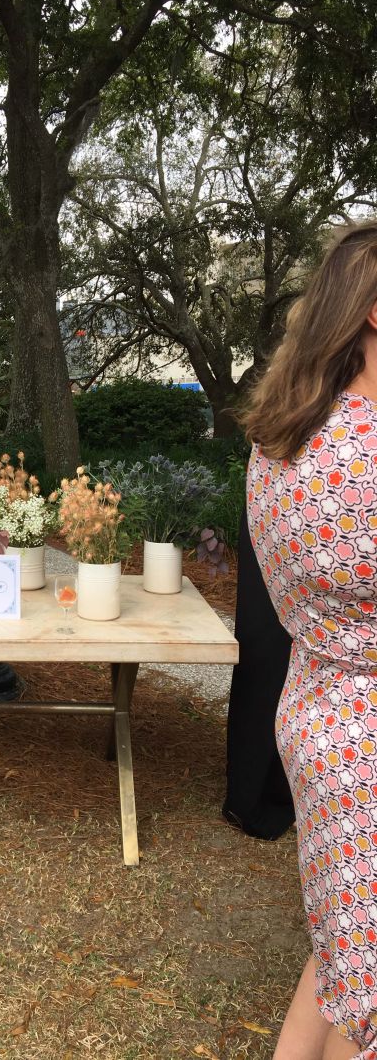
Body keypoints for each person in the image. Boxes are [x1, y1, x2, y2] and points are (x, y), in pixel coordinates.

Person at [242, 220, 377, 1060]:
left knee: (341, 957)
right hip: (367, 744)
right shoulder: (366, 453)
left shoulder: (286, 438)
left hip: (316, 714)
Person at [223, 506, 295, 841]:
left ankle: (266, 789)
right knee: (267, 645)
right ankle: (255, 792)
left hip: (282, 499)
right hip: (291, 501)